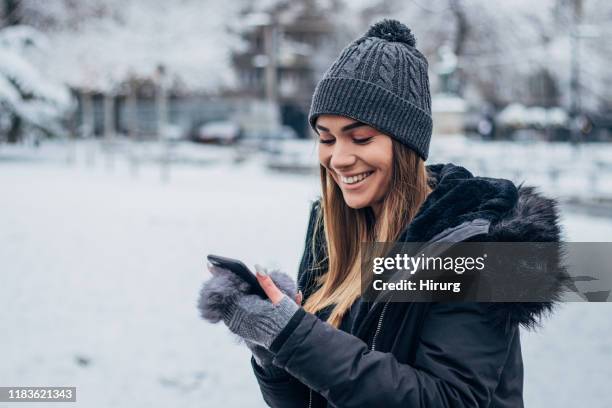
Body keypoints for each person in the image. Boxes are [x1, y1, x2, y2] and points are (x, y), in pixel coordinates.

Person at [198, 19, 567, 407]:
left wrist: (294, 335)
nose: (338, 158)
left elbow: (446, 399)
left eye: (361, 138)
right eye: (326, 138)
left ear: (406, 144)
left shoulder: (475, 249)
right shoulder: (332, 235)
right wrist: (273, 354)